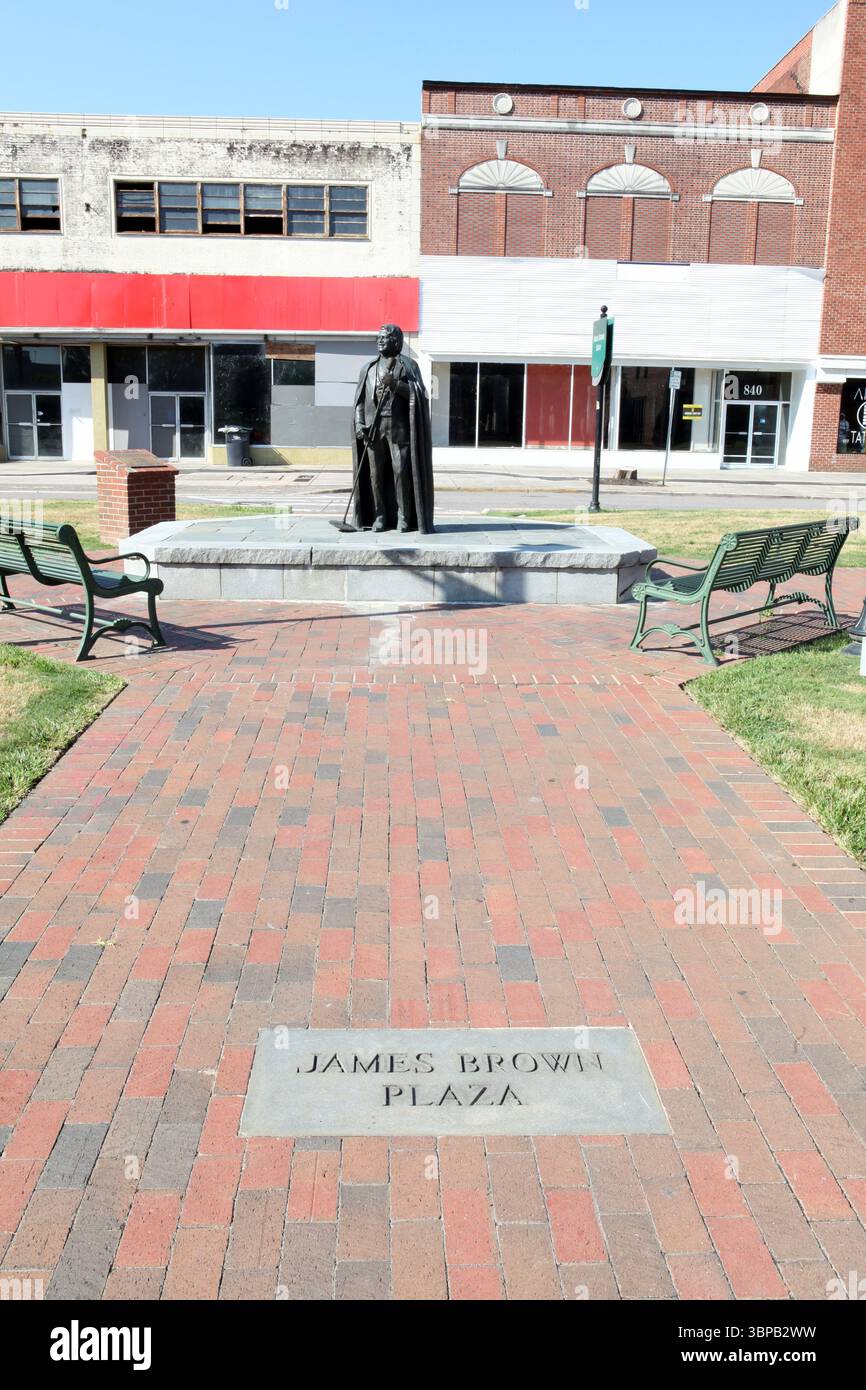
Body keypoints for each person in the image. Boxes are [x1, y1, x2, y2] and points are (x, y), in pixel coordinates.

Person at [351, 324, 434, 533]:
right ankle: (379, 517)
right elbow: (359, 401)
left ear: (396, 341)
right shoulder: (368, 368)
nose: (379, 341)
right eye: (378, 337)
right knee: (375, 475)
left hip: (399, 429)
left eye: (384, 338)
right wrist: (360, 424)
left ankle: (404, 517)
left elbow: (419, 396)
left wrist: (395, 384)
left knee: (401, 473)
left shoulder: (408, 366)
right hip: (373, 428)